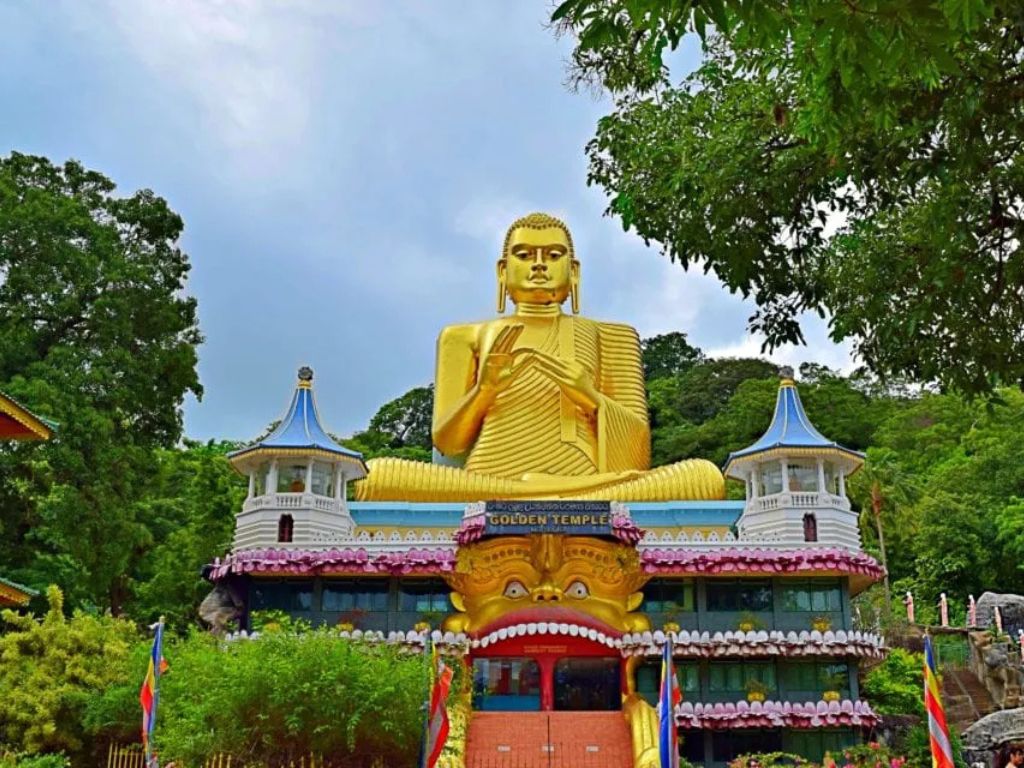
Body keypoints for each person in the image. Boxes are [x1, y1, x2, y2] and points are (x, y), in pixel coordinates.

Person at [354, 212, 725, 502]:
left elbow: (636, 458)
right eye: (524, 254)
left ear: (574, 272)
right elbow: (448, 443)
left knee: (705, 478)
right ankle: (537, 499)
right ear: (503, 270)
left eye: (553, 255)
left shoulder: (613, 335)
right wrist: (484, 390)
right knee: (374, 477)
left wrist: (591, 399)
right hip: (488, 482)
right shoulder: (464, 337)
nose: (539, 264)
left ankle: (535, 499)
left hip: (590, 484)